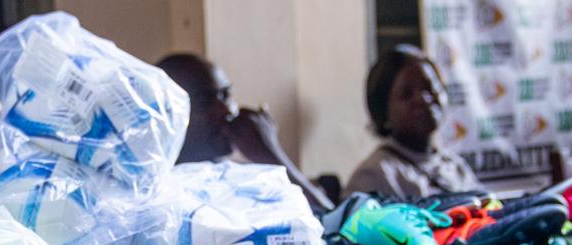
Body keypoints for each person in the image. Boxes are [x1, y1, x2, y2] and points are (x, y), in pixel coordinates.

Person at [157, 53, 333, 212]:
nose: (226, 110)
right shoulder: (158, 193)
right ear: (166, 112)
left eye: (226, 95)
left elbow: (337, 229)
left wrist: (273, 156)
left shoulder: (248, 180)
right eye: (204, 100)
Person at [345, 44, 482, 200]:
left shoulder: (453, 164)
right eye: (407, 94)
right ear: (383, 111)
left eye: (430, 87)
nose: (423, 99)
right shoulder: (374, 176)